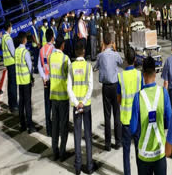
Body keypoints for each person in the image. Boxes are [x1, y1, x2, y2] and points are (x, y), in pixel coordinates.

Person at [130, 56, 172, 175]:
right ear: (156, 73)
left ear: (143, 74)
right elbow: (169, 122)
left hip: (143, 155)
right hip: (159, 152)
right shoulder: (163, 93)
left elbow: (133, 129)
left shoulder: (138, 97)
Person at [67, 41, 94, 175]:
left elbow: (69, 88)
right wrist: (83, 101)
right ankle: (89, 166)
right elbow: (90, 87)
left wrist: (76, 102)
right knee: (88, 135)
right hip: (86, 105)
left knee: (77, 135)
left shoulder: (71, 67)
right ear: (83, 51)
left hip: (76, 106)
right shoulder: (88, 66)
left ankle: (77, 167)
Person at [117, 48, 143, 175]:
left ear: (126, 60)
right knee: (139, 151)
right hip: (138, 120)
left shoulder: (120, 76)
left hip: (126, 120)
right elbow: (143, 95)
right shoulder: (139, 75)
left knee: (126, 152)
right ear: (135, 60)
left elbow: (119, 99)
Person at [95, 32, 123, 151]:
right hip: (115, 86)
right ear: (111, 43)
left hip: (106, 87)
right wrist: (115, 50)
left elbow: (95, 67)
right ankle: (118, 141)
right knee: (117, 114)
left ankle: (107, 144)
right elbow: (121, 62)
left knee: (107, 115)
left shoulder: (100, 56)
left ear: (103, 43)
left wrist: (101, 51)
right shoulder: (115, 55)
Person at [49, 34, 71, 161]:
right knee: (63, 126)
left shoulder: (51, 57)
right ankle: (62, 153)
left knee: (55, 125)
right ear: (62, 45)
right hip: (62, 97)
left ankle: (55, 152)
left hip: (53, 96)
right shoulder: (65, 58)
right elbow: (69, 77)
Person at [15, 31, 36, 134]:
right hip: (26, 80)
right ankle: (30, 126)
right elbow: (30, 67)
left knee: (21, 103)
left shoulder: (16, 51)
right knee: (28, 104)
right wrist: (32, 78)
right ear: (24, 40)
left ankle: (22, 124)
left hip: (19, 80)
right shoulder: (25, 52)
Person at [38, 29, 55, 137]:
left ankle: (49, 130)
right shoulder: (53, 49)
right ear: (52, 37)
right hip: (52, 80)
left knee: (47, 105)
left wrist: (43, 77)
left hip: (45, 80)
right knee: (54, 105)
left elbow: (39, 65)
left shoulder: (41, 49)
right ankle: (54, 130)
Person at [2, 21, 18, 112]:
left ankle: (11, 103)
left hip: (8, 63)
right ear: (9, 27)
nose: (12, 28)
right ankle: (14, 105)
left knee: (10, 85)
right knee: (13, 85)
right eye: (11, 26)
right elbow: (13, 52)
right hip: (11, 63)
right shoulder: (8, 38)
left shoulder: (4, 37)